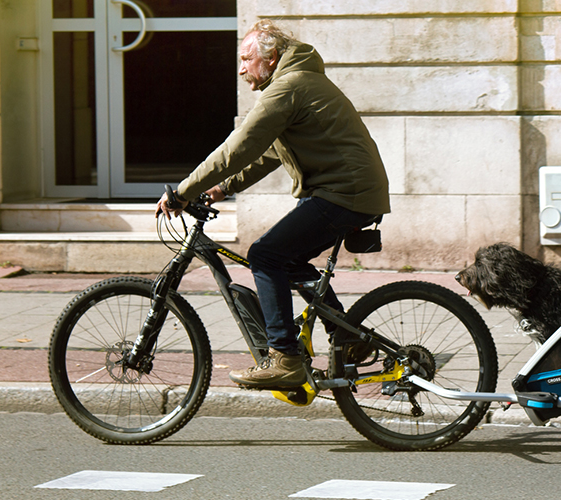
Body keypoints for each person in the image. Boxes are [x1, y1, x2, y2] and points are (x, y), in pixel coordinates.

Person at [157, 20, 390, 388]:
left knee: (265, 256)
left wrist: (182, 191)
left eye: (247, 58)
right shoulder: (294, 83)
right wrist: (221, 189)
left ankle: (284, 359)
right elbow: (267, 155)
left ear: (272, 58)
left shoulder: (288, 87)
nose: (241, 68)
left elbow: (239, 147)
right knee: (290, 259)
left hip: (345, 192)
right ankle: (346, 335)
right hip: (348, 190)